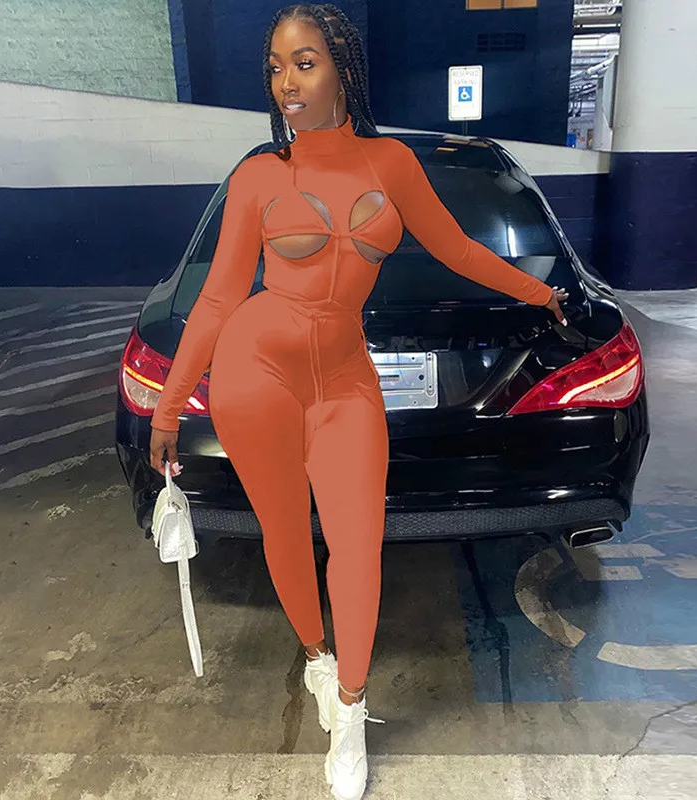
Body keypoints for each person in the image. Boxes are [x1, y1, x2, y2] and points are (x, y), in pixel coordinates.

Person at [149, 4, 568, 799]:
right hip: (256, 371)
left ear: (343, 68)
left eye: (303, 63)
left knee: (357, 543)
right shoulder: (259, 176)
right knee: (284, 531)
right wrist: (169, 409)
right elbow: (217, 299)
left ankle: (350, 707)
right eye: (275, 67)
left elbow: (458, 249)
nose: (286, 82)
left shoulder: (391, 165)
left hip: (344, 376)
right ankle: (317, 659)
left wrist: (539, 293)